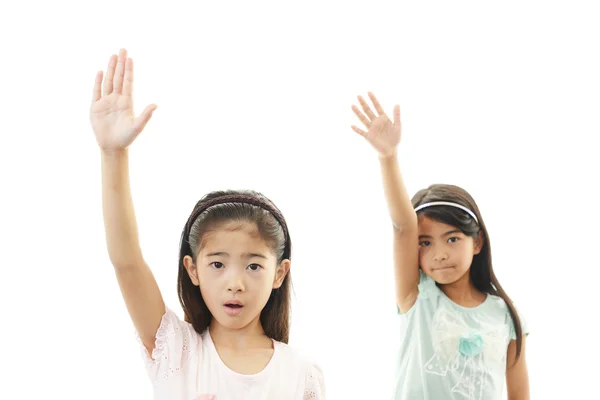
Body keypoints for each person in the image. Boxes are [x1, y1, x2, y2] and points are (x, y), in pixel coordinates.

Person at [90, 48, 325, 400]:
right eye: (217, 263)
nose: (235, 283)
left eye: (254, 265)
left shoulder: (301, 374)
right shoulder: (176, 348)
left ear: (279, 273)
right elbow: (126, 261)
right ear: (193, 268)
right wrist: (113, 154)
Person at [350, 92, 530, 399]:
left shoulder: (505, 315)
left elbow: (519, 395)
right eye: (425, 243)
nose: (440, 253)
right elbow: (403, 226)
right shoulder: (418, 296)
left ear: (477, 242)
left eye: (453, 238)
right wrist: (388, 157)